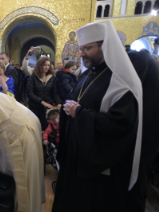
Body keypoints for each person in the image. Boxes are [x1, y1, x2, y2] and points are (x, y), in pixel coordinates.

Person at [52, 20, 143, 212]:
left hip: (99, 168)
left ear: (105, 46)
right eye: (80, 48)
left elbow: (121, 124)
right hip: (77, 159)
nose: (81, 53)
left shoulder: (121, 82)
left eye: (88, 48)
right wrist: (67, 114)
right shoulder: (87, 74)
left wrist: (80, 113)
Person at [125, 50, 159, 212]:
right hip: (150, 131)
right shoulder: (147, 59)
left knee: (135, 180)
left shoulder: (137, 58)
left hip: (143, 132)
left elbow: (128, 91)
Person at [27, 56, 62, 130]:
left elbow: (55, 93)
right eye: (45, 65)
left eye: (48, 65)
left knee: (45, 128)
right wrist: (42, 102)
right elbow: (30, 93)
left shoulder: (52, 77)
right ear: (40, 65)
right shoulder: (33, 76)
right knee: (35, 126)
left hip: (47, 107)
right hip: (35, 106)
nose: (47, 67)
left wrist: (59, 103)